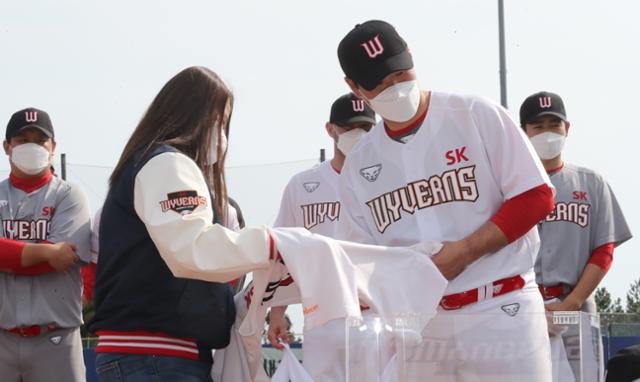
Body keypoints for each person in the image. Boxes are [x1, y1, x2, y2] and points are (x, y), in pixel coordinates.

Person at [336, 20, 556, 380]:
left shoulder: (474, 114)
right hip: (422, 324)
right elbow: (360, 259)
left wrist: (468, 249)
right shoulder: (359, 166)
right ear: (354, 87)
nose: (395, 87)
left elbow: (536, 196)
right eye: (380, 82)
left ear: (410, 54)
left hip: (501, 307)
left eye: (399, 73)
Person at [89, 66, 281, 382]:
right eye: (217, 121)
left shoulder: (149, 161)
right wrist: (273, 245)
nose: (221, 135)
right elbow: (193, 248)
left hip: (150, 354)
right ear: (188, 115)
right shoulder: (167, 163)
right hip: (156, 355)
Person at [520, 91, 632, 381]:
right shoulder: (508, 187)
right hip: (523, 308)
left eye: (553, 124)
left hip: (576, 306)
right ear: (524, 132)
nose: (547, 132)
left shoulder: (591, 183)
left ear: (566, 128)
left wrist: (571, 303)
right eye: (538, 126)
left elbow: (604, 250)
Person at [267, 93, 376, 348]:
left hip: (375, 309)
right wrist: (277, 312)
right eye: (349, 127)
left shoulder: (391, 177)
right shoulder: (303, 185)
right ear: (330, 129)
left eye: (365, 127)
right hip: (321, 312)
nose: (357, 134)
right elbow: (282, 250)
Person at [0, 107, 92, 381]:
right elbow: (51, 258)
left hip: (57, 338)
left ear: (53, 147)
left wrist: (10, 256)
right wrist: (44, 251)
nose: (32, 146)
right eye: (22, 140)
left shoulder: (70, 195)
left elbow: (64, 259)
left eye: (39, 140)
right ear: (7, 146)